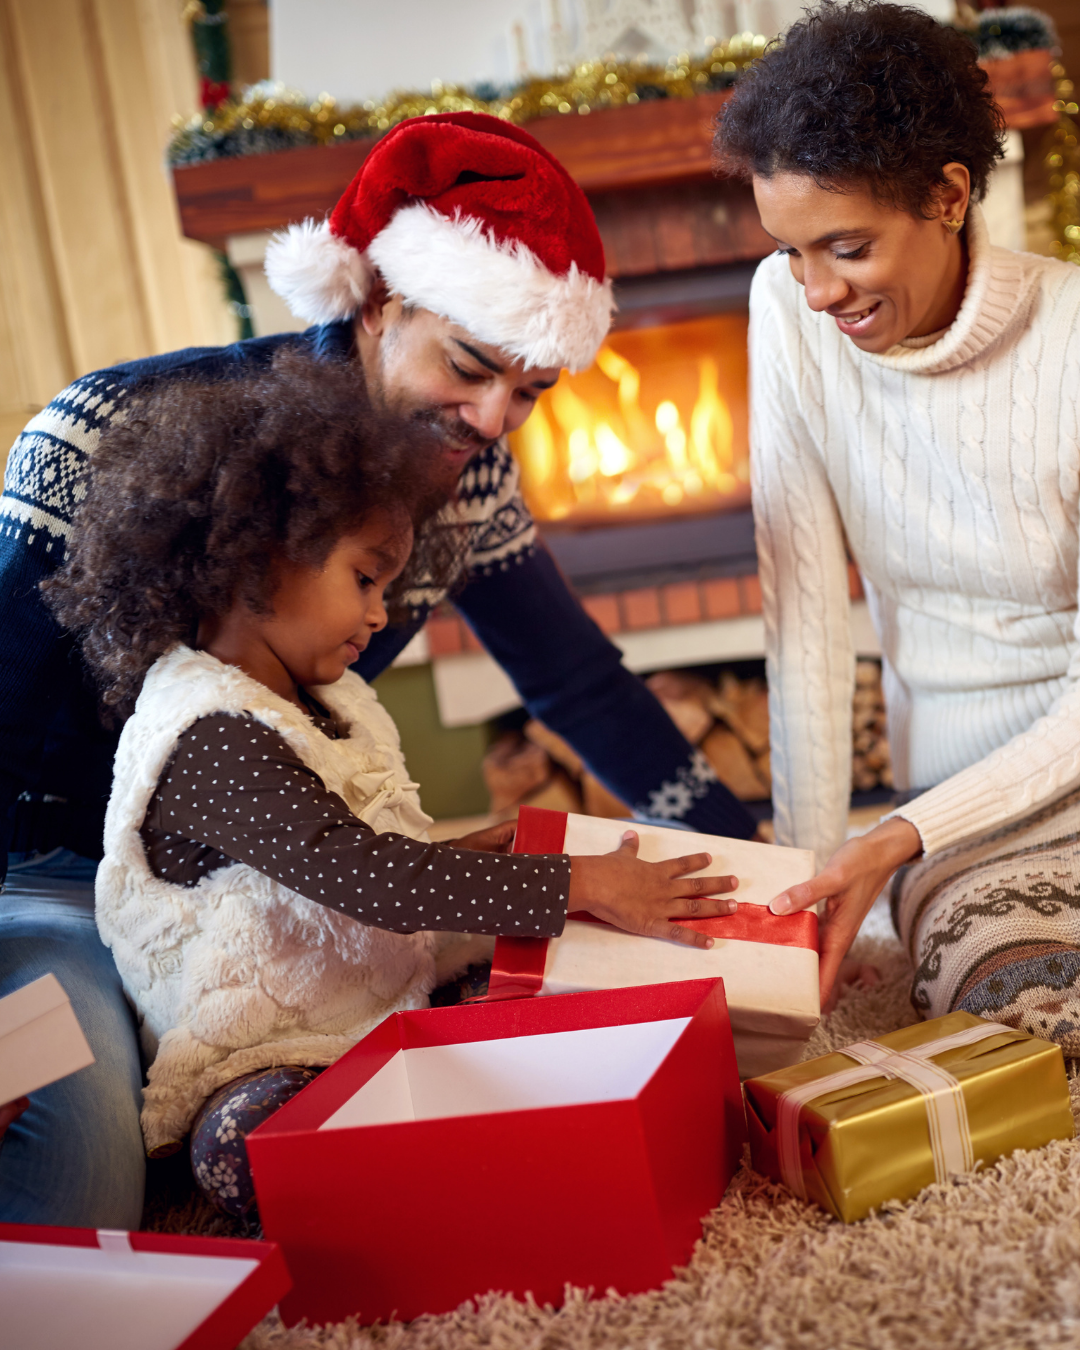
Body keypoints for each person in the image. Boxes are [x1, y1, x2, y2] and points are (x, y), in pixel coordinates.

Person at [0, 110, 756, 1225]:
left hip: (285, 896)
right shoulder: (108, 432)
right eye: (469, 365)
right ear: (379, 302)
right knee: (81, 1167)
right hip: (53, 879)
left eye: (534, 391)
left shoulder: (466, 473)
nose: (498, 419)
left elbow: (577, 684)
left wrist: (751, 870)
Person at [715, 0, 1080, 1039]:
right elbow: (806, 624)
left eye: (846, 247)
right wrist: (811, 871)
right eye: (791, 252)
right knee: (1014, 1004)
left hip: (1000, 784)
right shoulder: (787, 312)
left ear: (948, 193)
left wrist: (891, 839)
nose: (817, 289)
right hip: (962, 817)